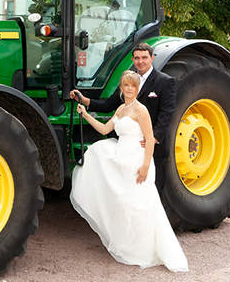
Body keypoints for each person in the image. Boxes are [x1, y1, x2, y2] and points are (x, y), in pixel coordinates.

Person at [70, 70, 188, 271]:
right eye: (126, 85)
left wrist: (145, 165)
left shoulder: (141, 110)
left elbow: (150, 138)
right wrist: (86, 115)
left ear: (137, 88)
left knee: (138, 205)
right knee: (121, 199)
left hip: (137, 160)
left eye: (133, 86)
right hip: (121, 156)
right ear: (122, 88)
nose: (130, 89)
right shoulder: (121, 110)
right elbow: (105, 130)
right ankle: (126, 245)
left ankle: (142, 251)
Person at [70, 42, 176, 191]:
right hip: (129, 151)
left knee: (153, 194)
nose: (140, 61)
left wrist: (153, 138)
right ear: (132, 60)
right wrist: (84, 100)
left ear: (152, 58)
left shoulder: (165, 81)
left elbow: (166, 114)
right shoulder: (128, 82)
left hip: (153, 146)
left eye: (144, 57)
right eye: (137, 58)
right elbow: (108, 105)